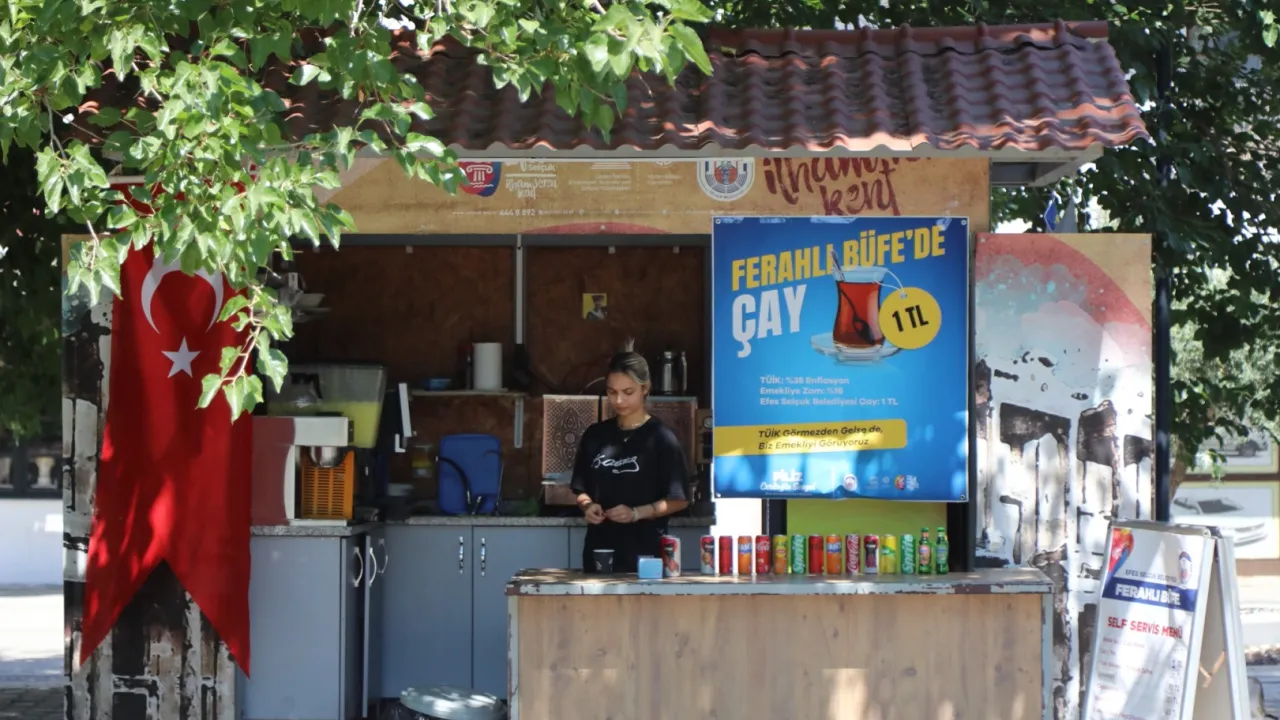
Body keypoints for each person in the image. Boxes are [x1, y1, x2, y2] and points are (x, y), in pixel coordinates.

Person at [571, 341, 690, 573]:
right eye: (612, 392)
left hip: (646, 555)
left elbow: (680, 499)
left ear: (645, 388)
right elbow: (580, 489)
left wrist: (636, 513)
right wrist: (588, 506)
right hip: (599, 552)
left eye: (627, 392)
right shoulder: (595, 435)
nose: (618, 401)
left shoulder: (661, 438)